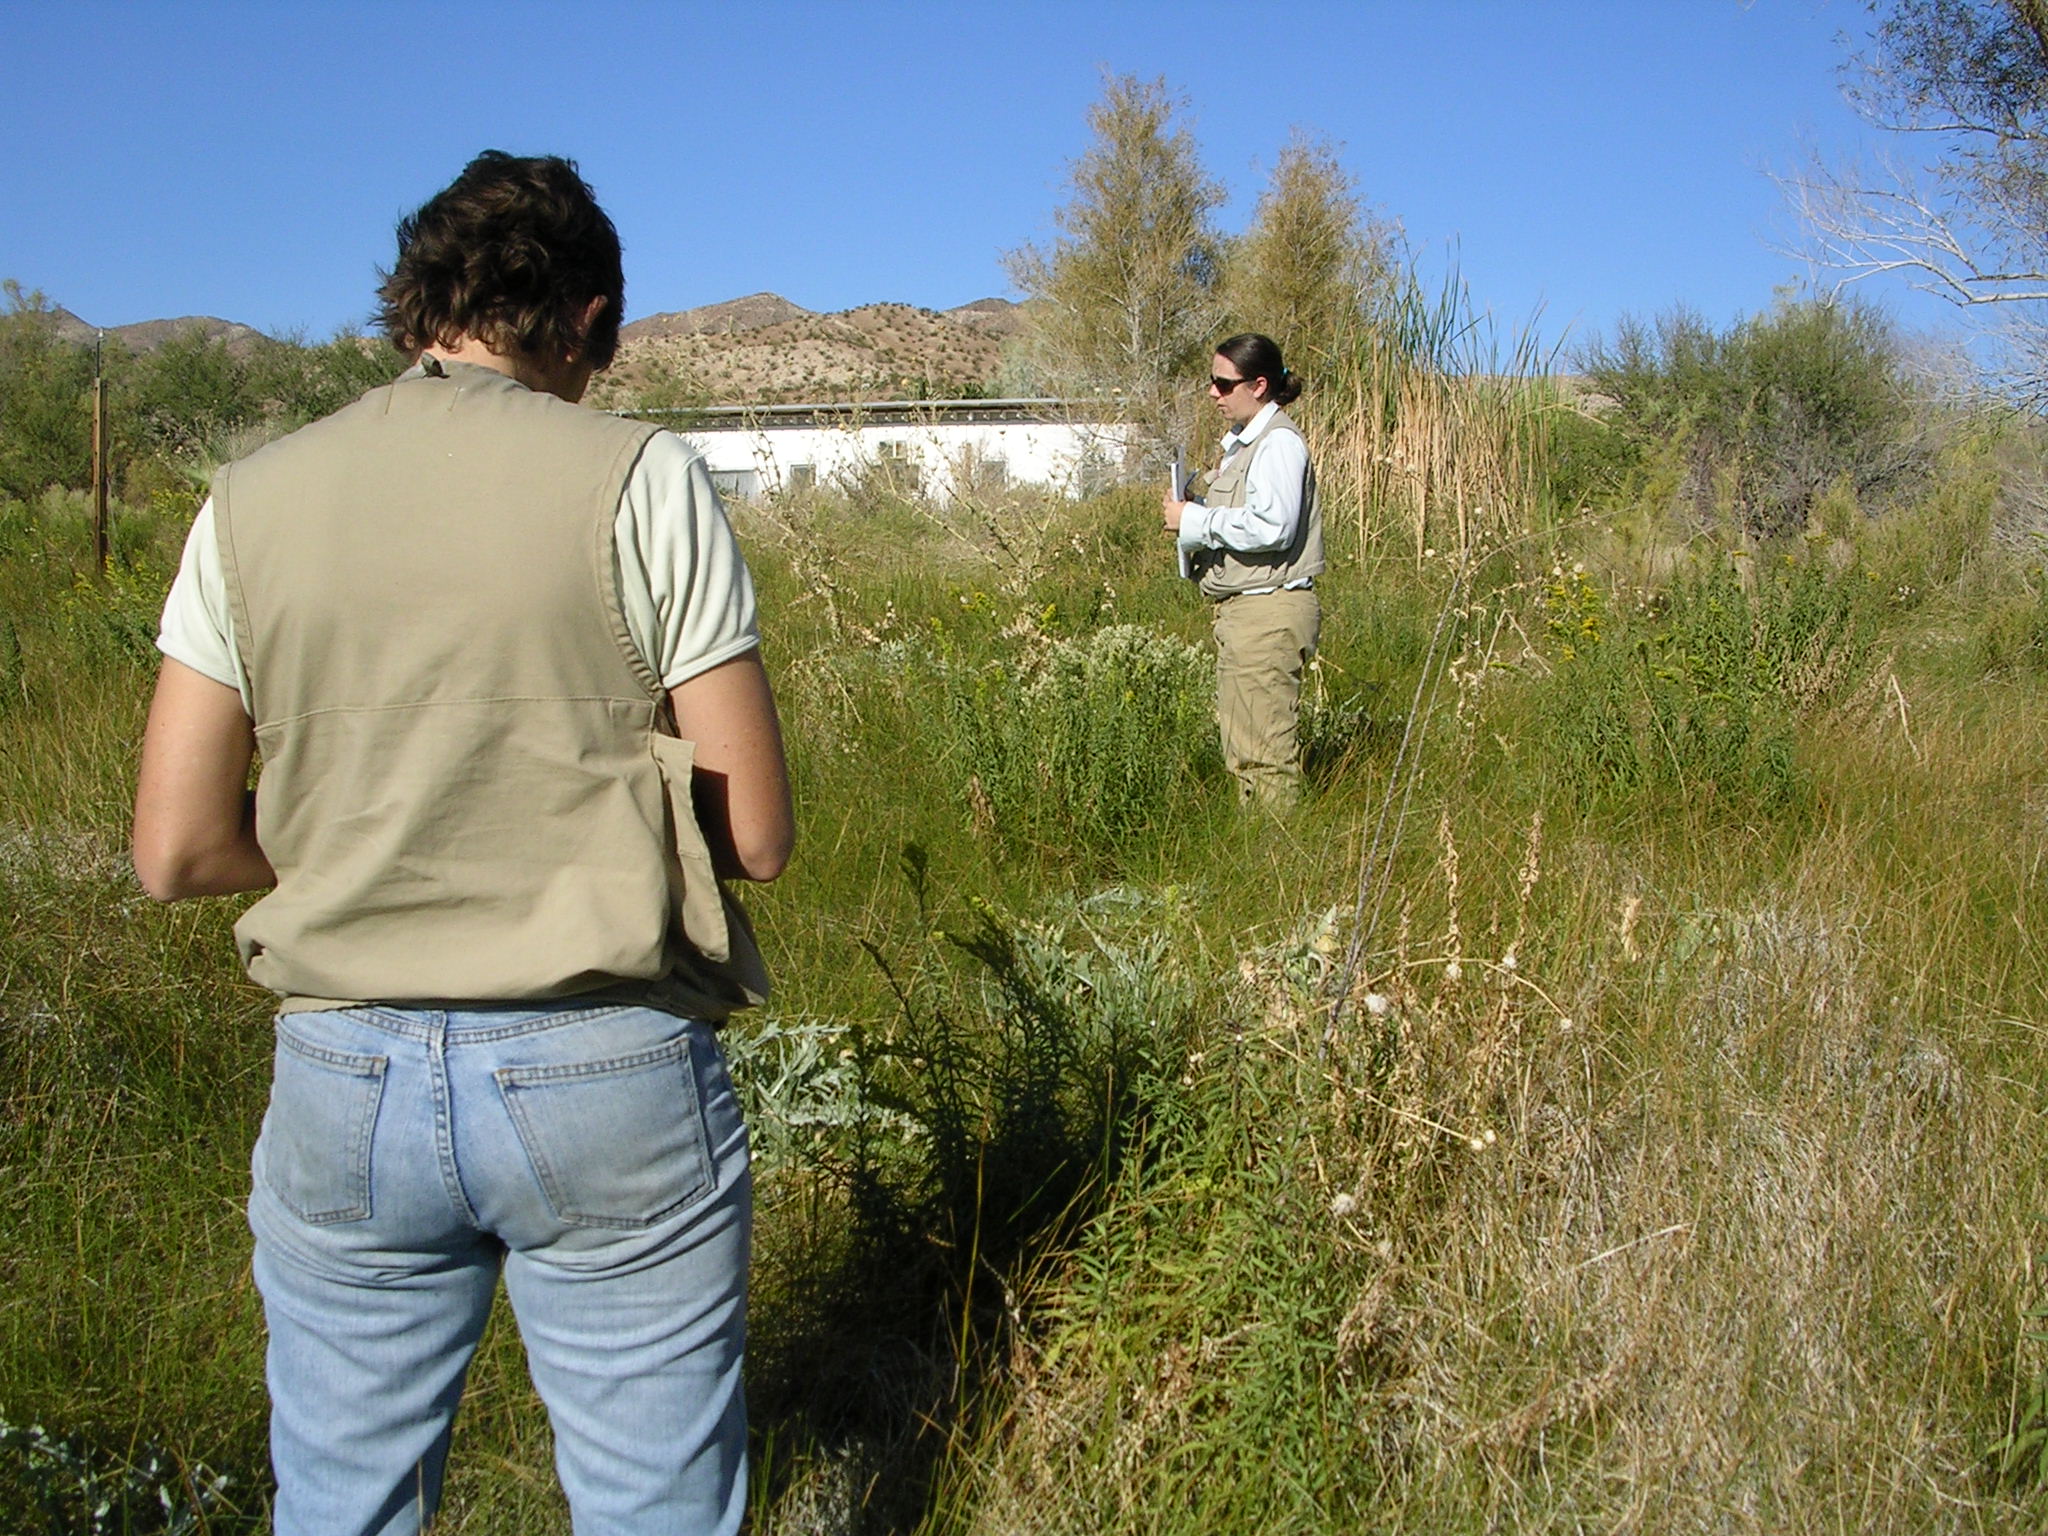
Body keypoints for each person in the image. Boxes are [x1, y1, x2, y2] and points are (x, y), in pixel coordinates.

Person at [131, 151, 792, 1536]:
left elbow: (176, 849)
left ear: (417, 299)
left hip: (342, 1079)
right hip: (606, 1065)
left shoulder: (247, 499)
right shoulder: (641, 476)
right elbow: (759, 835)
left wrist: (349, 837)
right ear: (589, 319)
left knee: (342, 1504)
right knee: (656, 1506)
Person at [1162, 333, 1324, 811]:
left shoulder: (1278, 444)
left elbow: (1273, 527)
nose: (1213, 392)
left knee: (1265, 756)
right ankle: (1262, 839)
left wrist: (1194, 520)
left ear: (1258, 385)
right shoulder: (1247, 442)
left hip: (1267, 612)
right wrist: (1196, 508)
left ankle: (1277, 848)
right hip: (1249, 612)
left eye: (1223, 383)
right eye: (1211, 381)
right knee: (1245, 749)